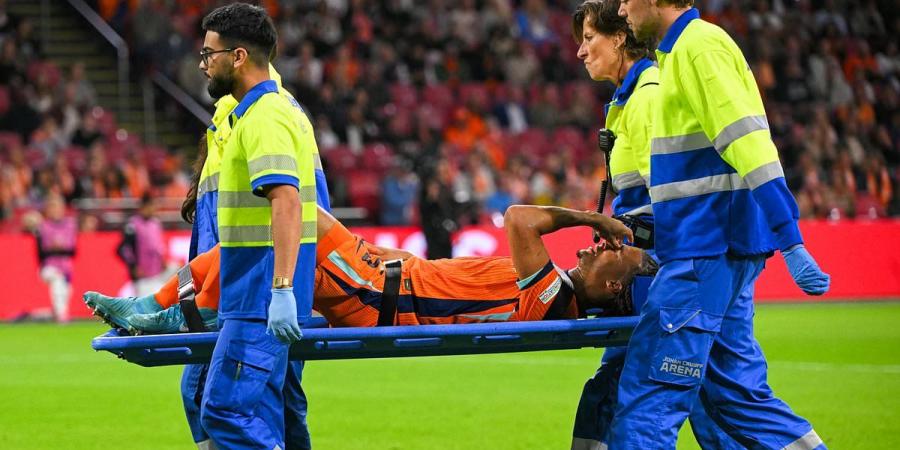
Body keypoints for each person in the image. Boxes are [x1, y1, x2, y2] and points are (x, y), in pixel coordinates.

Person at [610, 1, 830, 448]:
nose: (620, 8)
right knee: (736, 400)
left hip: (703, 252)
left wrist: (790, 237)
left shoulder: (698, 48)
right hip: (714, 249)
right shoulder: (680, 54)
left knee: (648, 400)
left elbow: (748, 142)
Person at [567, 2, 741, 449]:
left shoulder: (647, 97)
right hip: (653, 273)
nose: (582, 52)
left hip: (665, 274)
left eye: (589, 39)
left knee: (701, 402)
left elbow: (673, 203)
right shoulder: (627, 99)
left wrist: (627, 240)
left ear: (620, 37)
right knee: (618, 391)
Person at [87, 203, 645, 333]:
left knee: (295, 213)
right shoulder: (554, 291)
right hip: (383, 282)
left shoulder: (552, 297)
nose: (602, 240)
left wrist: (593, 215)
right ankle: (158, 307)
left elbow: (520, 218)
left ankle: (175, 311)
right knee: (261, 232)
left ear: (614, 284)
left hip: (381, 296)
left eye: (614, 248)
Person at [195, 4, 319, 449]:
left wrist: (282, 290)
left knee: (228, 409)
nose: (204, 64)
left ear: (239, 56)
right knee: (270, 416)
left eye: (210, 54)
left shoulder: (265, 115)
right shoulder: (262, 112)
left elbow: (286, 201)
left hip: (260, 298)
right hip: (253, 296)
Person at [25, 193, 77, 323]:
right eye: (52, 208)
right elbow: (40, 252)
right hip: (48, 267)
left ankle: (44, 315)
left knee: (64, 294)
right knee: (57, 279)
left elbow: (73, 251)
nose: (55, 211)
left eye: (58, 207)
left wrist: (60, 248)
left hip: (66, 267)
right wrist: (52, 249)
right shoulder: (43, 226)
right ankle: (61, 318)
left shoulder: (70, 225)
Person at [117, 193, 167, 297]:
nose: (154, 209)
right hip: (142, 275)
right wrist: (133, 267)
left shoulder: (156, 223)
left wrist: (162, 261)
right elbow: (124, 249)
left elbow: (158, 246)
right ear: (144, 206)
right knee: (144, 308)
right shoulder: (132, 224)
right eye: (152, 206)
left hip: (156, 273)